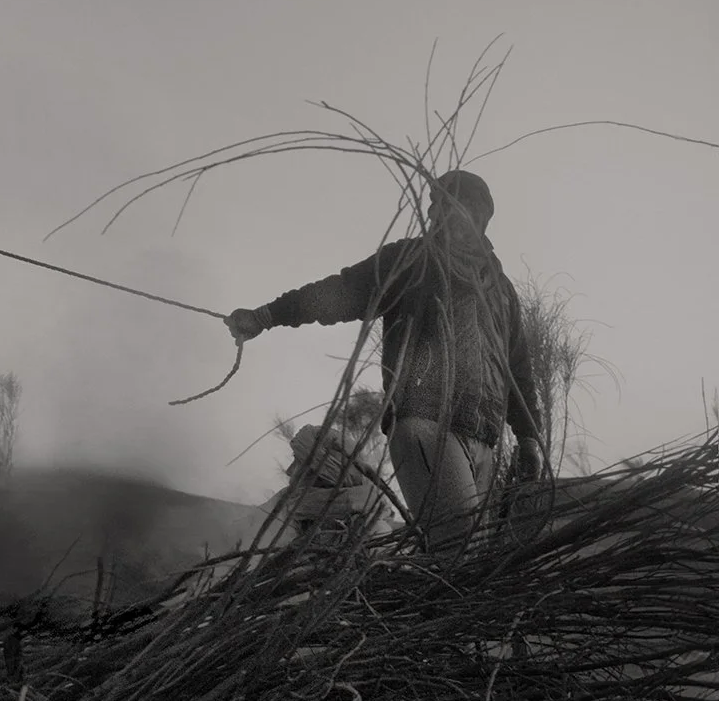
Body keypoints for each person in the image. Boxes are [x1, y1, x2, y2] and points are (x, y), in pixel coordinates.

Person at [226, 170, 544, 553]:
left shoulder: (501, 290)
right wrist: (266, 315)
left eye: (444, 203)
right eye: (432, 204)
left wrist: (529, 438)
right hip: (427, 425)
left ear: (477, 213)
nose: (433, 212)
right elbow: (338, 293)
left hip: (484, 442)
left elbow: (518, 370)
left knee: (467, 562)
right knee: (460, 552)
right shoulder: (411, 260)